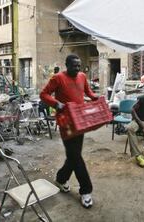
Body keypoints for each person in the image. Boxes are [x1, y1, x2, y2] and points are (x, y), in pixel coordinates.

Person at [40, 54, 98, 208]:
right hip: (66, 122)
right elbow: (43, 94)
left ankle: (60, 178)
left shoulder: (82, 76)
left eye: (79, 66)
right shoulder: (57, 78)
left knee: (74, 156)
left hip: (80, 121)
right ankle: (86, 190)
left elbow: (88, 92)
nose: (77, 68)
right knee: (76, 157)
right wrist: (56, 103)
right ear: (67, 65)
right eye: (74, 66)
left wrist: (95, 97)